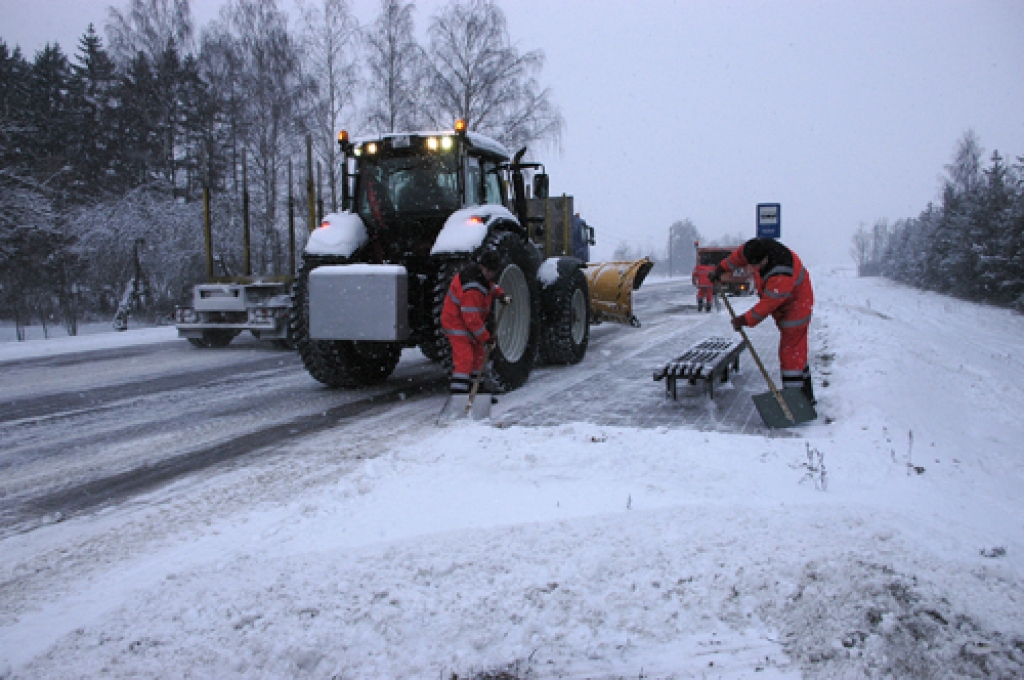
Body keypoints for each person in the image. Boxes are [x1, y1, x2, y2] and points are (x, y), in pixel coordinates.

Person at [710, 237, 815, 404]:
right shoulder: (753, 248)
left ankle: (795, 402)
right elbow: (737, 257)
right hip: (785, 304)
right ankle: (806, 395)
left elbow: (767, 305)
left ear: (766, 258)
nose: (755, 269)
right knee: (797, 351)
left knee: (790, 354)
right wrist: (720, 269)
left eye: (757, 265)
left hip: (796, 307)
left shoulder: (781, 272)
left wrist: (744, 319)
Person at [441, 249, 507, 396]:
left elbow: (490, 286)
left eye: (493, 271)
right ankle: (459, 395)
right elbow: (472, 320)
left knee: (479, 357)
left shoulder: (482, 277)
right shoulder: (472, 289)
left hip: (471, 326)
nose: (491, 274)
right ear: (482, 266)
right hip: (457, 325)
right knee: (465, 359)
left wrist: (500, 294)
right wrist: (486, 337)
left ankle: (477, 391)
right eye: (489, 270)